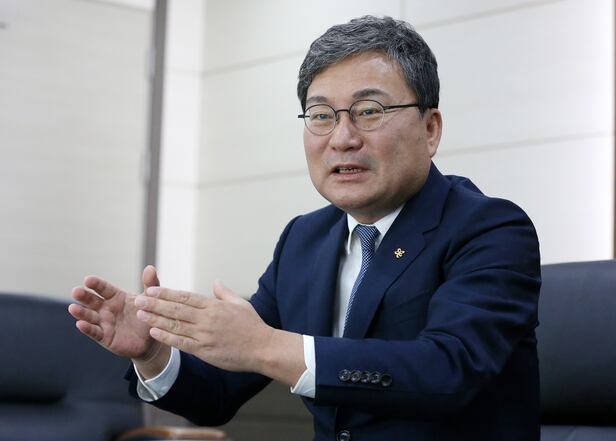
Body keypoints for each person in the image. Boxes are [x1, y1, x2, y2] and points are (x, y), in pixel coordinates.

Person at [69, 15, 541, 441]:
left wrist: (265, 345)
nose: (343, 138)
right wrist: (153, 354)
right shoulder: (304, 240)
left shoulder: (490, 228)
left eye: (369, 111)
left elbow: (446, 370)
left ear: (430, 129)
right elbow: (218, 392)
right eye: (321, 116)